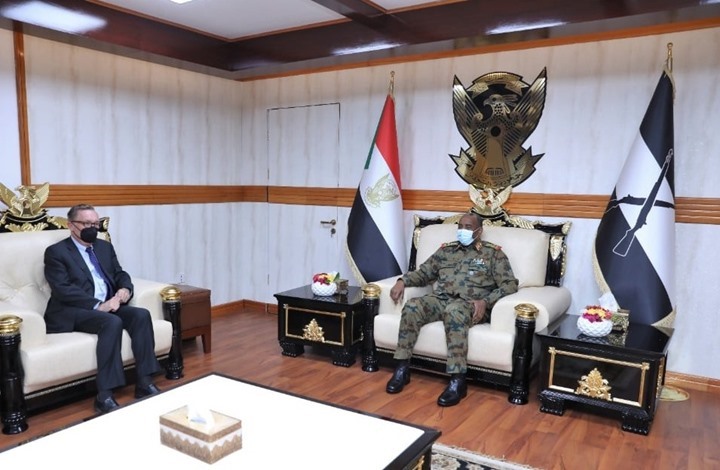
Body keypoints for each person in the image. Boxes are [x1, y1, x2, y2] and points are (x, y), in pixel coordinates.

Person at [386, 211, 518, 406]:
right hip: (442, 299)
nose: (462, 230)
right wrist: (402, 281)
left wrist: (485, 301)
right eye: (460, 227)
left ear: (479, 231)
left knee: (454, 311)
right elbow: (423, 273)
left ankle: (458, 381)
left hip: (470, 305)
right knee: (413, 306)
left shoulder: (493, 254)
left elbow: (509, 284)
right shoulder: (446, 251)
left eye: (468, 227)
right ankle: (402, 369)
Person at [44, 204, 162, 413]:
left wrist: (125, 289)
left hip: (108, 303)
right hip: (73, 310)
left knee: (141, 315)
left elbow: (119, 273)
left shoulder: (104, 247)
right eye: (86, 223)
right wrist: (98, 305)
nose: (92, 228)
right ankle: (104, 394)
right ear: (71, 225)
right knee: (111, 321)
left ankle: (144, 382)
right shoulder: (56, 252)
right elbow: (62, 289)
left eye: (95, 224)